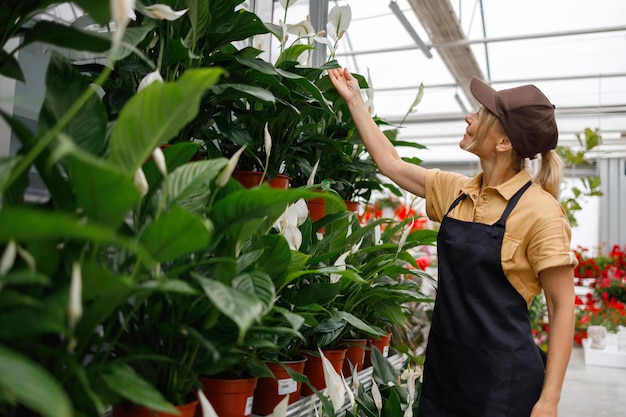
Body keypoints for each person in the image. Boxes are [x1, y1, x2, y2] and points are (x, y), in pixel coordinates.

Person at [328, 68, 576, 417]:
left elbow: (563, 306)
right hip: (446, 372)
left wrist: (549, 400)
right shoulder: (457, 192)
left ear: (503, 143)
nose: (468, 117)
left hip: (503, 385)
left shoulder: (541, 212)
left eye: (480, 115)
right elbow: (391, 164)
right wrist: (355, 100)